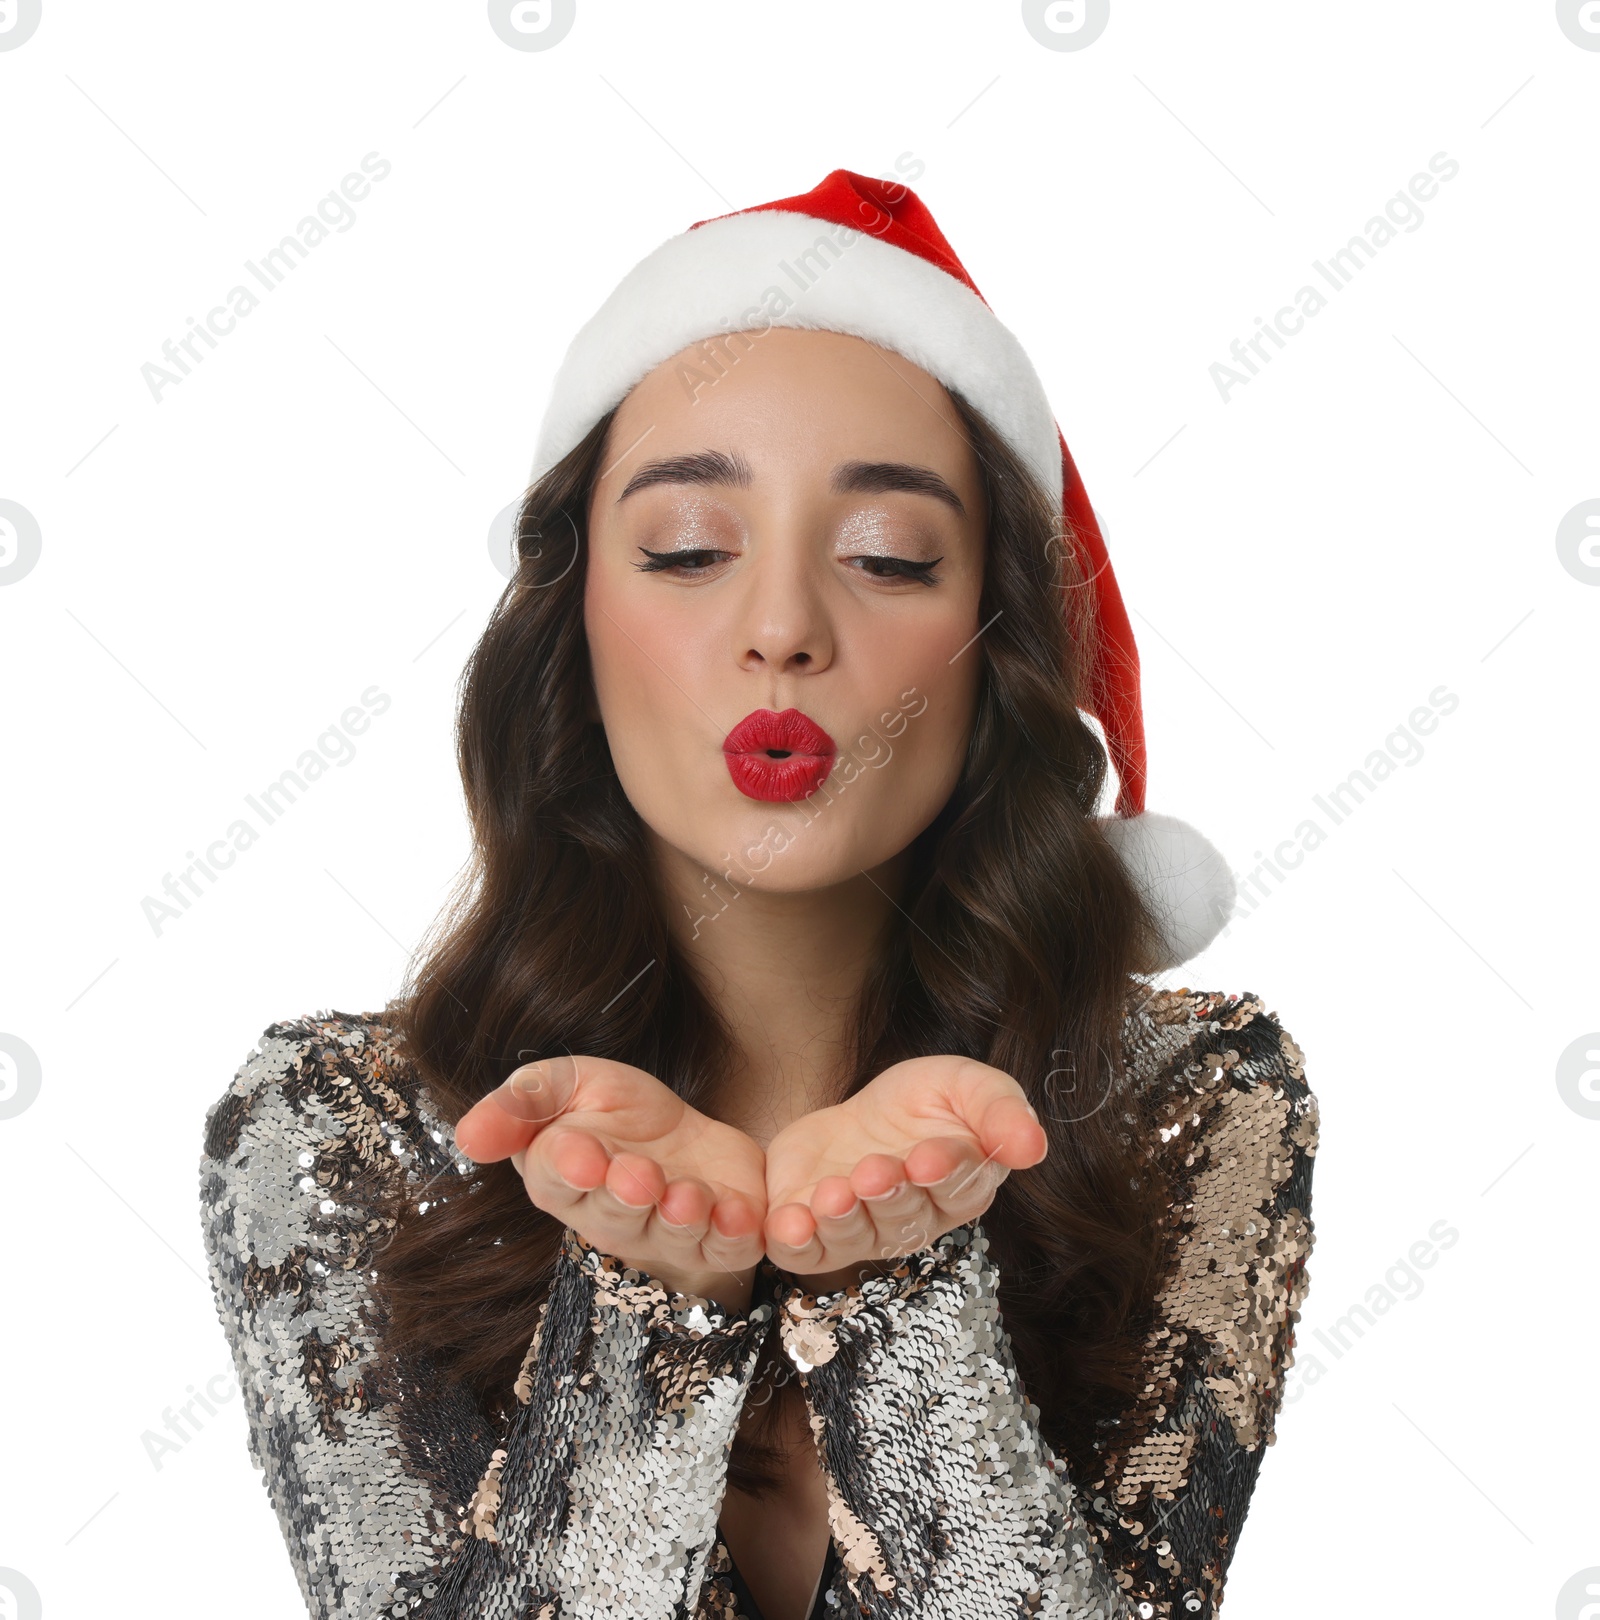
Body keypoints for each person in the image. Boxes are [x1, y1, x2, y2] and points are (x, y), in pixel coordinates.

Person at [199, 171, 1318, 1620]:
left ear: (995, 648)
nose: (783, 628)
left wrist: (900, 1286)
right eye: (687, 551)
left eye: (887, 559)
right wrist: (649, 1308)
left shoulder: (1193, 1098)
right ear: (573, 621)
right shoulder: (331, 1127)